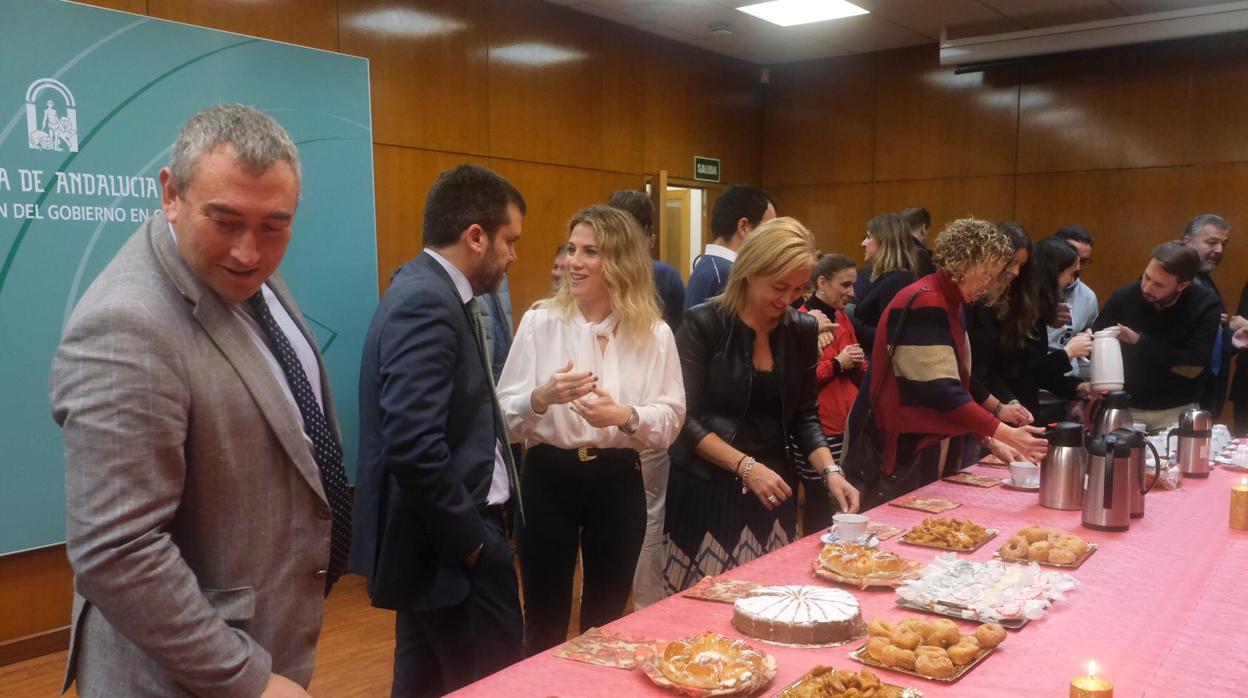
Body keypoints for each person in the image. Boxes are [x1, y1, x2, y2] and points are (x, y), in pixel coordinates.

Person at [50, 104, 342, 697]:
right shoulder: (123, 326)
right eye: (225, 220)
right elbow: (117, 551)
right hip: (184, 675)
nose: (248, 252)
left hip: (263, 633)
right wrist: (249, 680)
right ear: (171, 194)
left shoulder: (244, 272)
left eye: (274, 225)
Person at [350, 163, 526, 697]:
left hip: (437, 549)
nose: (514, 256)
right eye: (509, 241)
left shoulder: (424, 288)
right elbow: (414, 443)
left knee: (423, 685)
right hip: (456, 549)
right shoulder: (428, 300)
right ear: (475, 236)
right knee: (493, 686)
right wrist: (472, 542)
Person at [497, 205, 685, 653]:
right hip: (547, 477)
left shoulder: (654, 334)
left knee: (605, 624)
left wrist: (625, 416)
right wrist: (539, 398)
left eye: (590, 252)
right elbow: (502, 415)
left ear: (619, 262)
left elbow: (672, 417)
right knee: (543, 618)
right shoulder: (540, 322)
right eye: (571, 249)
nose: (572, 262)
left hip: (618, 479)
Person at [663, 217, 860, 594]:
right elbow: (684, 420)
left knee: (771, 602)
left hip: (772, 490)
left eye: (798, 288)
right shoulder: (703, 323)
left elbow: (804, 416)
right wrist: (745, 466)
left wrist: (831, 471)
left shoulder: (800, 329)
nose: (788, 300)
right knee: (703, 612)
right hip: (707, 490)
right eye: (779, 286)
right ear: (750, 272)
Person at [842, 218, 1048, 510]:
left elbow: (956, 381)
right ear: (966, 263)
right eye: (990, 273)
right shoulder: (928, 300)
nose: (993, 283)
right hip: (894, 445)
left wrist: (988, 435)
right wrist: (1004, 432)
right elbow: (941, 391)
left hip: (915, 443)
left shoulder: (949, 301)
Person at [605, 190, 684, 609]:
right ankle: (645, 605)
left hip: (636, 417)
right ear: (649, 234)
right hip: (642, 415)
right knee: (651, 513)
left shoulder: (591, 269)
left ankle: (616, 602)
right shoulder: (664, 276)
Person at [1094, 241, 1222, 432]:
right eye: (1146, 277)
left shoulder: (1205, 304)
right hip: (1124, 407)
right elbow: (1094, 343)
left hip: (1175, 410)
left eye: (1159, 285)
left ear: (1183, 285)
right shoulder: (1125, 296)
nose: (1146, 287)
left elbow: (1194, 364)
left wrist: (1140, 342)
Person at [801, 254, 866, 532]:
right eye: (845, 285)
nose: (852, 292)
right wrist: (838, 364)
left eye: (853, 285)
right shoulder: (802, 321)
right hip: (819, 428)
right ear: (822, 282)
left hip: (847, 425)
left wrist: (858, 362)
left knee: (843, 501)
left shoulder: (842, 317)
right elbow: (800, 379)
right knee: (820, 507)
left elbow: (855, 365)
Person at [684, 184, 776, 308]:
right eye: (769, 230)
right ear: (744, 227)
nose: (774, 239)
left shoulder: (709, 266)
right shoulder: (728, 275)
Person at [1041, 225, 1099, 417]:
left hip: (1062, 394)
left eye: (1084, 261)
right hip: (1023, 397)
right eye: (1073, 258)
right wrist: (1068, 352)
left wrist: (1081, 387)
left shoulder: (1088, 298)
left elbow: (1083, 356)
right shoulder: (1030, 296)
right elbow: (1028, 365)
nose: (1078, 268)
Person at [608, 189, 686, 330]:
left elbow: (678, 339)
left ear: (651, 240)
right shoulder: (595, 272)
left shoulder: (667, 278)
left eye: (633, 240)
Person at [1182, 214, 1233, 416]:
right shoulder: (1170, 280)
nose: (1219, 250)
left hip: (1207, 392)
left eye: (1223, 244)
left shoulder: (1204, 280)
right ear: (1187, 241)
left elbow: (1210, 339)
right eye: (1211, 242)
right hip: (1179, 392)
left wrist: (1230, 336)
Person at [851, 213, 922, 348]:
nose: (863, 243)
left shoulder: (900, 281)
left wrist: (849, 322)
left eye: (868, 237)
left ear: (885, 241)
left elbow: (889, 338)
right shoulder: (866, 274)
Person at [475, 274, 514, 382]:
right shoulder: (467, 275)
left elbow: (506, 319)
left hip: (504, 366)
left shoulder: (501, 275)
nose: (512, 257)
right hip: (482, 371)